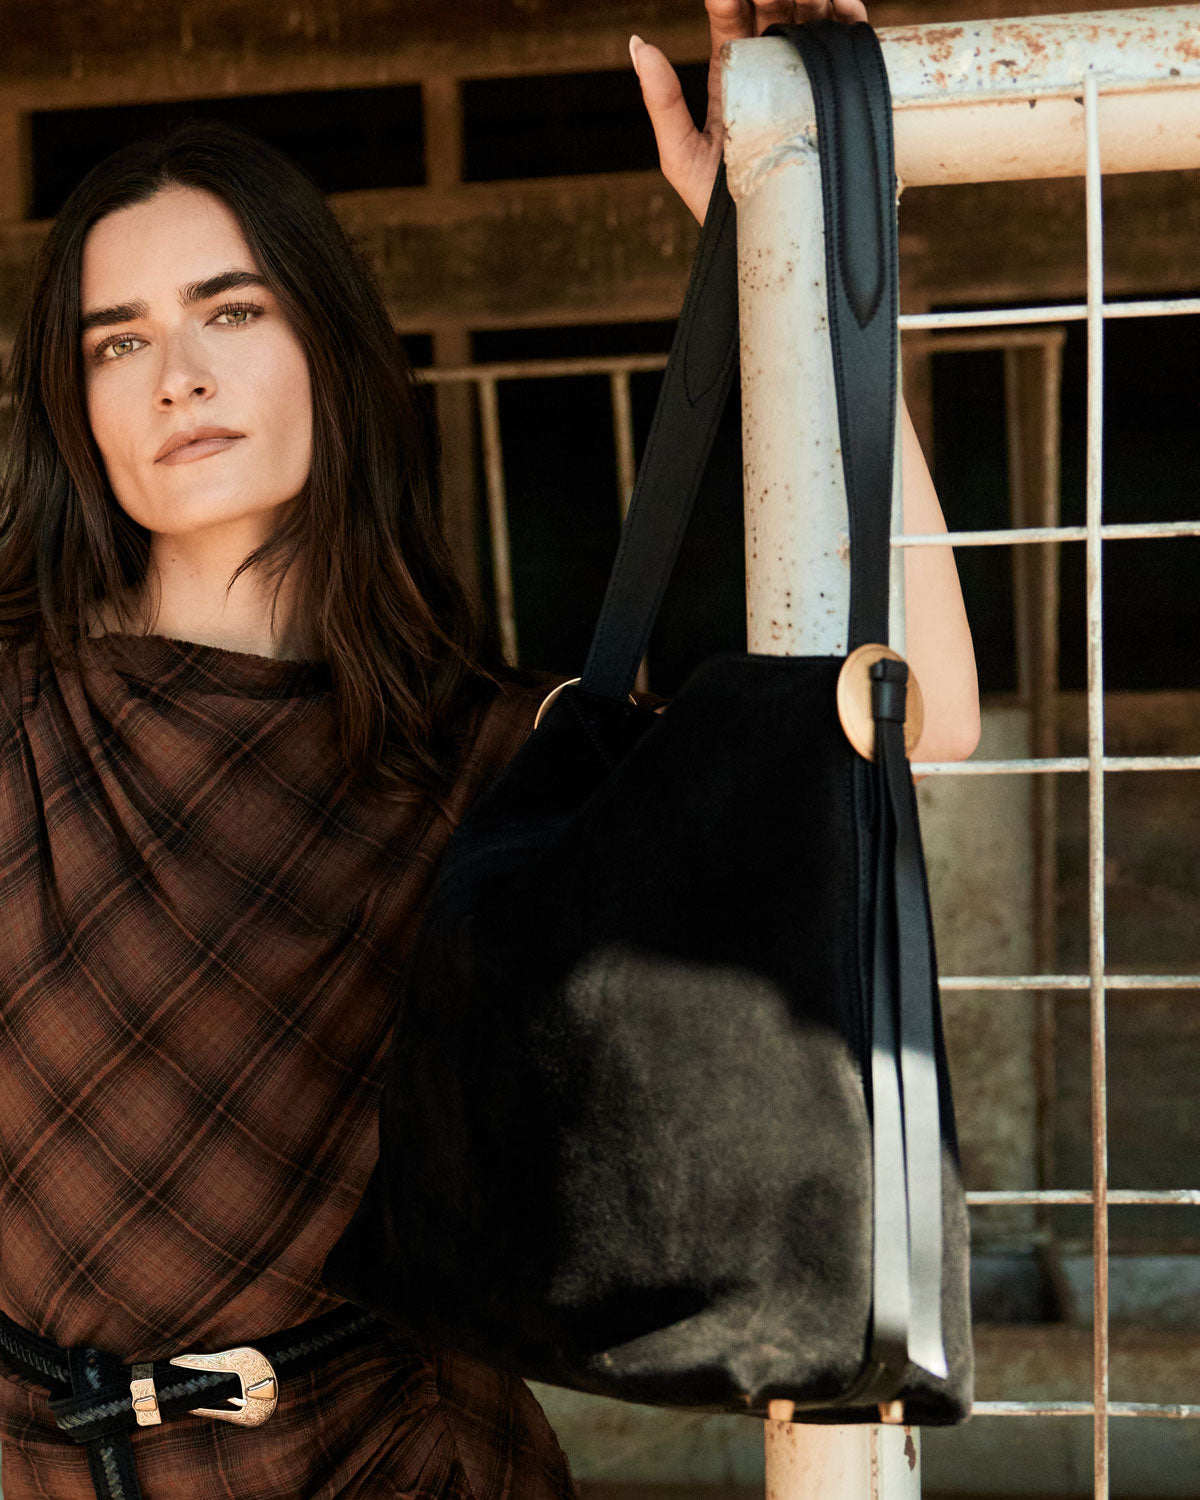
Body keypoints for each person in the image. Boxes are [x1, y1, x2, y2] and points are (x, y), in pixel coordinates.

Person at [0, 2, 978, 1496]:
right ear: (73, 405)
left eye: (231, 309)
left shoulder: (486, 747)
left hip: (393, 1460)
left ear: (327, 340)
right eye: (116, 340)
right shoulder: (17, 712)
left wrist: (798, 248)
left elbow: (929, 720)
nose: (175, 373)